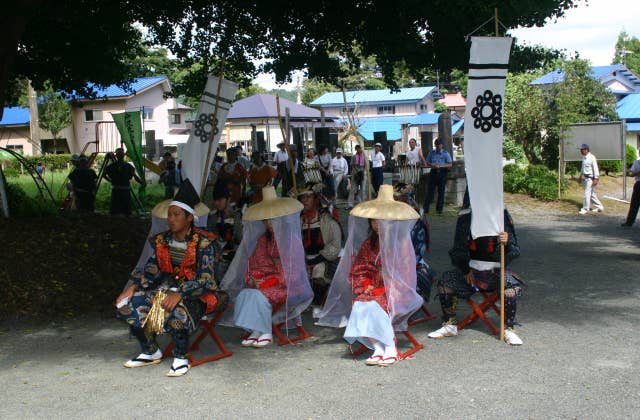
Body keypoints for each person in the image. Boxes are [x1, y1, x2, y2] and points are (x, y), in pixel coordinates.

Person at [115, 179, 227, 377]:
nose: (171, 219)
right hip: (167, 290)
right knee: (128, 303)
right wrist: (132, 287)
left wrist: (180, 293)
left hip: (201, 294)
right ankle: (150, 350)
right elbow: (151, 270)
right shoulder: (163, 241)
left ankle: (180, 357)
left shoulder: (203, 243)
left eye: (176, 215)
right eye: (169, 215)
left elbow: (206, 279)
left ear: (189, 218)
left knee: (175, 309)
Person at [317, 185, 423, 366]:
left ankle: (389, 346)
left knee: (374, 303)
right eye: (373, 221)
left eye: (379, 220)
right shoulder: (370, 243)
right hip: (372, 287)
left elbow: (405, 275)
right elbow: (359, 267)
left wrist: (384, 287)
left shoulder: (402, 242)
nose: (375, 224)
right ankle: (378, 347)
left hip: (397, 290)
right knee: (360, 303)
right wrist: (365, 284)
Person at [220, 186, 313, 348]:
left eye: (272, 219)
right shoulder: (264, 239)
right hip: (270, 281)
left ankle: (266, 331)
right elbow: (256, 262)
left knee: (260, 294)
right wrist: (255, 279)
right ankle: (257, 329)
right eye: (266, 220)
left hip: (290, 284)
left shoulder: (291, 239)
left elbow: (294, 271)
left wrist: (269, 281)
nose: (269, 223)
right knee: (246, 293)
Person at [427, 207, 524, 345]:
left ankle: (508, 328)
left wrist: (507, 243)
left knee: (511, 286)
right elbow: (457, 249)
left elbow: (515, 251)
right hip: (471, 273)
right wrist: (465, 269)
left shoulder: (502, 216)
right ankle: (450, 324)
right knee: (446, 281)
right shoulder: (466, 217)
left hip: (496, 272)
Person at [298, 182, 342, 307]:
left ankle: (317, 301)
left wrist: (318, 259)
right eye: (302, 197)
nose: (305, 200)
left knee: (318, 273)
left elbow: (335, 243)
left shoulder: (326, 219)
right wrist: (303, 259)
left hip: (325, 259)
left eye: (308, 197)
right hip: (304, 259)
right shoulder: (299, 220)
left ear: (316, 198)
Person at [207, 181, 243, 281]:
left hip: (233, 258)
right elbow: (209, 238)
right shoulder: (213, 217)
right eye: (215, 200)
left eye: (219, 200)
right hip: (216, 257)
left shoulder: (236, 216)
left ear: (228, 199)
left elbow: (240, 239)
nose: (216, 203)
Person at [104, 148, 142, 216]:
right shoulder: (111, 166)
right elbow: (104, 175)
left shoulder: (128, 166)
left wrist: (142, 182)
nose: (120, 156)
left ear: (123, 155)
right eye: (119, 154)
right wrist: (111, 181)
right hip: (116, 190)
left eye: (121, 154)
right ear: (116, 155)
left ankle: (126, 221)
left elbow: (135, 176)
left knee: (127, 210)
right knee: (115, 210)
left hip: (125, 189)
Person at [424, 138, 452, 215]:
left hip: (442, 173)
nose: (438, 147)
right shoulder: (432, 153)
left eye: (439, 145)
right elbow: (427, 162)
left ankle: (439, 210)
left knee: (441, 192)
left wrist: (441, 166)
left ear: (442, 145)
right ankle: (425, 209)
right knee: (430, 192)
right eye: (436, 145)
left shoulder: (445, 153)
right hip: (433, 172)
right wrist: (431, 164)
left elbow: (450, 164)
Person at [578, 143, 604, 215]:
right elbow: (582, 168)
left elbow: (595, 168)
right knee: (591, 194)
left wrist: (596, 178)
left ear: (586, 150)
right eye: (581, 150)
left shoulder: (592, 157)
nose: (581, 151)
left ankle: (585, 208)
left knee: (587, 193)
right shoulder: (584, 157)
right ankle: (599, 207)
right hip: (585, 178)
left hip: (590, 178)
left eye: (582, 149)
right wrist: (580, 176)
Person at [622, 155, 640, 227]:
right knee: (634, 204)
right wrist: (638, 172)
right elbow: (631, 174)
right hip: (639, 183)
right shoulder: (636, 163)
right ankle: (629, 222)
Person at [348, 144, 366, 209]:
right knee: (353, 189)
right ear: (356, 149)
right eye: (357, 148)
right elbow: (352, 165)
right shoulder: (354, 156)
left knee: (363, 189)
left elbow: (366, 165)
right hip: (355, 173)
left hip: (362, 172)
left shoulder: (364, 156)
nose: (359, 150)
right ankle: (350, 204)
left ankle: (362, 203)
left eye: (360, 148)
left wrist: (363, 171)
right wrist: (355, 171)